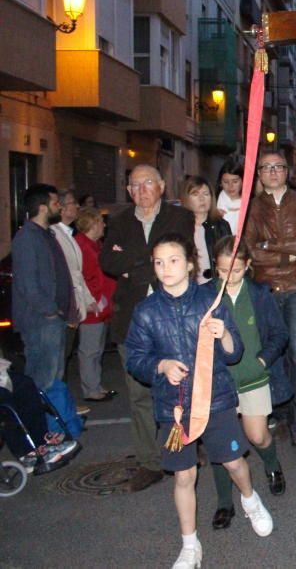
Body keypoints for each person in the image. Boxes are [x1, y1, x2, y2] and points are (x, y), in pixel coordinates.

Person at [125, 233, 272, 569]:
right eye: (159, 262)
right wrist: (159, 366)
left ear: (190, 264)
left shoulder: (211, 299)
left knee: (234, 462)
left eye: (173, 260)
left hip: (216, 398)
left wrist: (226, 335)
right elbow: (135, 358)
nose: (166, 268)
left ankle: (250, 500)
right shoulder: (146, 311)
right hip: (173, 407)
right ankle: (190, 545)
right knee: (183, 476)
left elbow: (235, 354)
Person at [100, 165, 195, 492]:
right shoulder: (118, 221)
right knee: (139, 393)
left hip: (174, 316)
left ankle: (189, 444)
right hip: (133, 319)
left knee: (183, 386)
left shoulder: (179, 218)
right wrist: (148, 262)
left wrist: (132, 262)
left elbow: (180, 253)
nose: (142, 190)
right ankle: (149, 461)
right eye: (135, 185)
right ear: (128, 190)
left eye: (148, 183)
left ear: (162, 186)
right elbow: (108, 263)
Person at [209, 236, 290, 531]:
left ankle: (272, 465)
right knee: (222, 446)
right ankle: (224, 502)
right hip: (220, 384)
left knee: (257, 437)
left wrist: (262, 361)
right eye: (222, 270)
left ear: (248, 266)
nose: (229, 277)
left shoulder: (259, 293)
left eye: (237, 270)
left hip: (254, 377)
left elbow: (280, 334)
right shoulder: (206, 295)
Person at [243, 152, 296, 449]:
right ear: (259, 174)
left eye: (278, 167)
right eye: (267, 167)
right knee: (271, 357)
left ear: (287, 172)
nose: (273, 172)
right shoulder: (252, 209)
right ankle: (279, 413)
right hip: (265, 289)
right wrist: (288, 250)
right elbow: (250, 250)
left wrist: (270, 246)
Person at [11, 184, 73, 392]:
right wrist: (50, 310)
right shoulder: (27, 237)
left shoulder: (47, 235)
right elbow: (28, 283)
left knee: (54, 378)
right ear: (43, 207)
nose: (60, 207)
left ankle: (51, 421)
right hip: (40, 322)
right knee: (42, 379)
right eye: (56, 202)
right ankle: (39, 422)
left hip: (53, 320)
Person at [74, 207, 117, 402]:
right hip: (93, 307)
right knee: (90, 349)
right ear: (92, 224)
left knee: (96, 349)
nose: (104, 225)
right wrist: (94, 300)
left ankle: (95, 385)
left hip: (100, 305)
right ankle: (91, 389)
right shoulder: (83, 246)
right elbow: (84, 277)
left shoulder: (94, 244)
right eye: (100, 221)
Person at [51, 190, 94, 367]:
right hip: (63, 307)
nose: (77, 206)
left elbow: (77, 272)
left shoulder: (68, 234)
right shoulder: (54, 235)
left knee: (64, 357)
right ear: (60, 208)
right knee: (57, 359)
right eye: (72, 203)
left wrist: (87, 299)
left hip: (73, 305)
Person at [181, 175, 232, 284]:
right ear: (186, 198)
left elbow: (229, 259)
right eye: (195, 194)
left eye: (206, 194)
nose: (202, 199)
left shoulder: (221, 226)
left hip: (215, 285)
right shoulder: (179, 226)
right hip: (188, 286)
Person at [216, 159, 244, 235]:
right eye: (226, 182)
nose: (230, 186)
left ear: (243, 181)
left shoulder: (250, 205)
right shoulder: (212, 204)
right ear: (220, 183)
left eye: (235, 181)